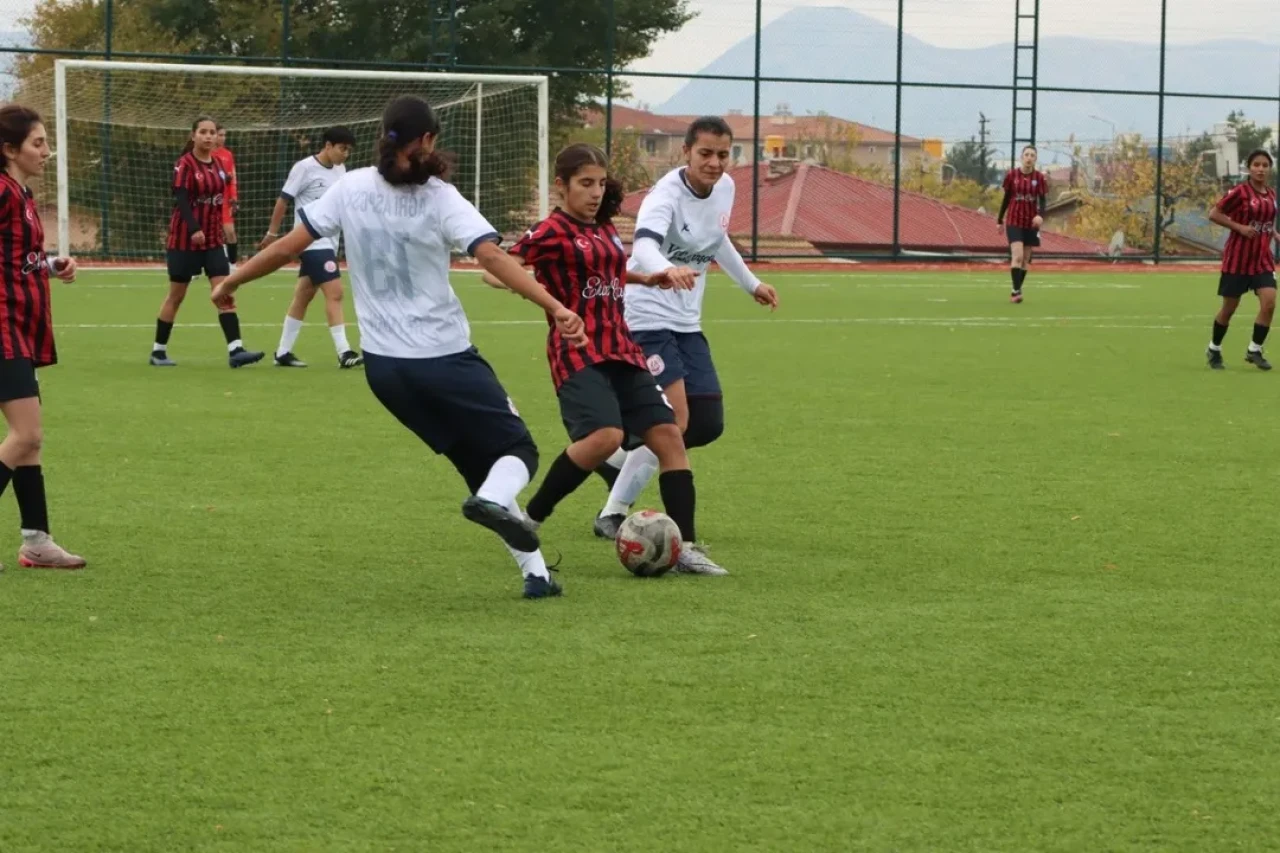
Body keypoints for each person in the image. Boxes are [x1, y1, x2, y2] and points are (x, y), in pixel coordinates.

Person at [211, 95, 585, 599]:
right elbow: (491, 256)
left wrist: (232, 281)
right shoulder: (440, 196)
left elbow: (286, 246)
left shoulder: (350, 188)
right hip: (445, 357)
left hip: (386, 372)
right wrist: (555, 305)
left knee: (480, 469)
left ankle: (536, 574)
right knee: (518, 450)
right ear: (428, 140)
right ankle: (499, 513)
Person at [486, 143, 727, 575]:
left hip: (623, 347)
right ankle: (528, 520)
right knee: (605, 438)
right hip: (579, 350)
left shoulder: (603, 227)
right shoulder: (552, 231)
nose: (596, 192)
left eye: (600, 183)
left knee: (670, 436)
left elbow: (608, 271)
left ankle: (685, 548)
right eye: (585, 184)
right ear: (561, 186)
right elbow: (495, 269)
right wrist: (541, 296)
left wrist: (646, 278)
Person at [591, 116, 779, 542]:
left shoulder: (726, 188)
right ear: (686, 153)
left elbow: (717, 241)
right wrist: (665, 270)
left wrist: (751, 284)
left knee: (707, 422)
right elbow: (642, 248)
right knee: (674, 420)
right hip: (646, 315)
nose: (714, 163)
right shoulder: (665, 196)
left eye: (722, 154)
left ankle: (619, 460)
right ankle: (614, 512)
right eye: (705, 154)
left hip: (687, 321)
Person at [0, 104, 87, 569]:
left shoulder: (20, 192)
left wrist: (51, 264)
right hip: (2, 330)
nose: (47, 151)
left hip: (18, 328)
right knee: (26, 434)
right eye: (38, 143)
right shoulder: (2, 190)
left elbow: (18, 256)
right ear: (9, 149)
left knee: (29, 440)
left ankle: (37, 541)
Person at [150, 116, 264, 368]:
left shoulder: (218, 166)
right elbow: (180, 198)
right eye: (203, 132)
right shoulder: (184, 164)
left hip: (212, 241)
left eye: (212, 132)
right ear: (193, 135)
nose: (209, 136)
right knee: (176, 296)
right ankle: (158, 351)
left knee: (224, 290)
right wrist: (193, 228)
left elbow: (219, 197)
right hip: (184, 241)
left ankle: (236, 350)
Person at [260, 125, 363, 368]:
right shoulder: (304, 168)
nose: (345, 154)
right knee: (335, 292)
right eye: (342, 148)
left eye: (348, 150)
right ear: (327, 146)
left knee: (304, 295)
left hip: (330, 241)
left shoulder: (341, 170)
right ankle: (344, 352)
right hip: (311, 241)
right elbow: (283, 200)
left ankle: (283, 352)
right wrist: (272, 233)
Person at [1205, 148, 1279, 370]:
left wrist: (1274, 234)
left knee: (1269, 302)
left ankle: (1254, 350)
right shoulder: (1240, 192)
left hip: (1262, 260)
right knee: (1230, 307)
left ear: (1269, 169)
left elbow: (1267, 222)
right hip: (1238, 260)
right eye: (1256, 165)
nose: (1261, 169)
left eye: (1265, 165)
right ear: (1249, 168)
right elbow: (1213, 213)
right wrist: (1239, 227)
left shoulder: (1272, 194)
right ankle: (1214, 348)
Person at [997, 145, 1048, 304]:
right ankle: (1016, 291)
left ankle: (1016, 289)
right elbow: (1006, 199)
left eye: (1032, 155)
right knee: (1017, 256)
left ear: (1035, 159)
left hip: (1030, 222)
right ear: (1021, 157)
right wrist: (999, 220)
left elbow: (1043, 201)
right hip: (1014, 220)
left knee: (1026, 259)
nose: (1029, 157)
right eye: (1026, 154)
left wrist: (1040, 215)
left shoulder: (1039, 178)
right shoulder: (1012, 175)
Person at [212, 123, 239, 269]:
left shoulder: (227, 155)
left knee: (230, 232)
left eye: (224, 135)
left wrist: (234, 199)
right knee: (204, 234)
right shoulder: (206, 153)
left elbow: (232, 178)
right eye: (220, 135)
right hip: (208, 200)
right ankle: (194, 268)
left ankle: (233, 265)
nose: (223, 138)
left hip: (224, 201)